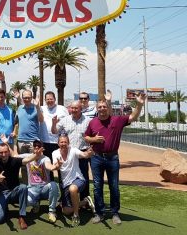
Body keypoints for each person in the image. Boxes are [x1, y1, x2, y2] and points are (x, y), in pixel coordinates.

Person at [84, 92, 146, 225]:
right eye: (99, 107)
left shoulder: (117, 120)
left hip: (112, 158)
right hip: (96, 158)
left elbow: (133, 117)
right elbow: (86, 137)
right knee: (97, 186)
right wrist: (94, 139)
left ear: (108, 108)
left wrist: (139, 104)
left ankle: (115, 213)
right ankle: (99, 213)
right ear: (97, 108)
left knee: (114, 186)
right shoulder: (93, 122)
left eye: (104, 106)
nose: (102, 109)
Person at [0, 139, 42, 229]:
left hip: (13, 192)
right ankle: (4, 207)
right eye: (1, 152)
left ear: (8, 152)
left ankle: (22, 216)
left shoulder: (14, 161)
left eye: (5, 152)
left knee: (23, 187)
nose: (3, 155)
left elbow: (26, 160)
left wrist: (36, 155)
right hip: (1, 194)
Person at [53, 100, 92, 201]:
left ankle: (85, 199)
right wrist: (54, 124)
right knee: (64, 175)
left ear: (81, 109)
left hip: (82, 152)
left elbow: (93, 135)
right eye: (72, 108)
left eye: (76, 108)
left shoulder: (88, 121)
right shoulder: (65, 120)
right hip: (68, 152)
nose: (73, 110)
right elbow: (54, 131)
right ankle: (65, 198)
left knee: (83, 176)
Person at [52, 134, 94, 227]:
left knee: (73, 189)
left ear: (68, 143)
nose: (63, 144)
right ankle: (85, 201)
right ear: (58, 143)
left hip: (78, 179)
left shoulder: (73, 150)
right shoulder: (55, 153)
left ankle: (76, 215)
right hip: (65, 183)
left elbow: (84, 155)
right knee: (65, 211)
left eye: (65, 142)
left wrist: (89, 153)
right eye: (61, 142)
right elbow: (55, 166)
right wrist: (58, 165)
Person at [24, 140, 60, 224]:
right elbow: (14, 155)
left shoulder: (45, 158)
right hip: (32, 188)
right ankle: (35, 203)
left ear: (42, 149)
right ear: (32, 148)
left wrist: (56, 166)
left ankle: (51, 211)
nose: (37, 149)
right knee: (26, 201)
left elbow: (50, 167)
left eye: (39, 147)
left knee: (54, 185)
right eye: (35, 147)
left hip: (44, 188)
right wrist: (7, 143)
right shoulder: (28, 156)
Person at [39, 91, 69, 160]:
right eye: (48, 99)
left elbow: (68, 122)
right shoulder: (41, 109)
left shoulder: (62, 109)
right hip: (45, 141)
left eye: (51, 99)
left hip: (58, 142)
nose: (49, 101)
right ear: (45, 100)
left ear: (55, 99)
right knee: (47, 162)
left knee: (58, 162)